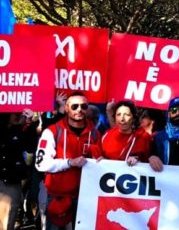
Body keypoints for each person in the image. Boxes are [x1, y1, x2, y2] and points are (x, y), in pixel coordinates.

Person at [35, 92, 101, 228]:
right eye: (75, 106)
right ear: (66, 108)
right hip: (58, 197)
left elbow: (101, 162)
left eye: (84, 106)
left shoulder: (95, 133)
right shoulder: (52, 131)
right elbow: (41, 164)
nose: (79, 110)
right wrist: (69, 162)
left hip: (85, 198)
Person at [99, 101, 153, 166]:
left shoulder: (143, 137)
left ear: (133, 118)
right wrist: (100, 160)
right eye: (118, 114)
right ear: (115, 118)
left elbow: (148, 160)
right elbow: (97, 156)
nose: (122, 119)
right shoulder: (106, 135)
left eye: (127, 115)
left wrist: (139, 161)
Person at [0, 113, 28, 230]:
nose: (19, 115)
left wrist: (29, 123)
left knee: (8, 219)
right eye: (15, 113)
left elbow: (31, 146)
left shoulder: (21, 131)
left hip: (10, 180)